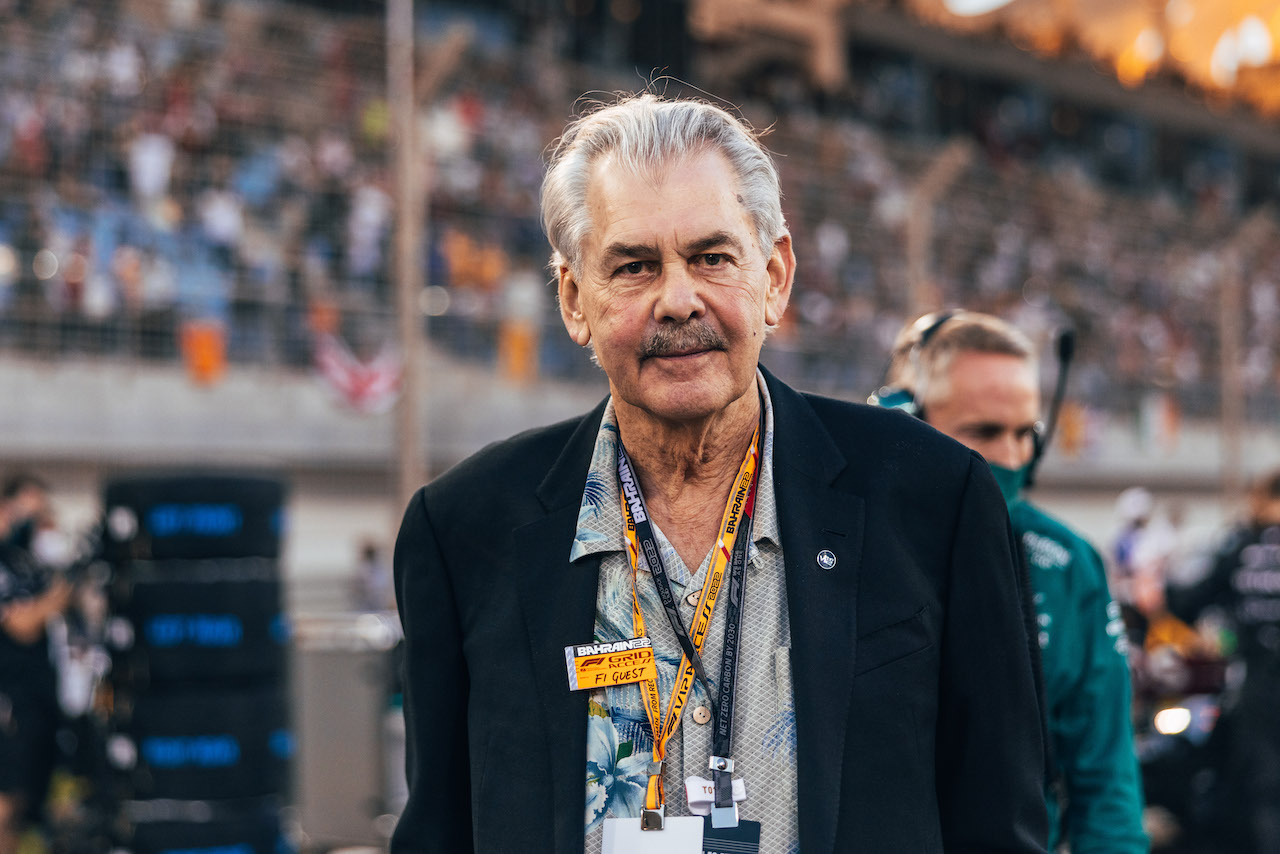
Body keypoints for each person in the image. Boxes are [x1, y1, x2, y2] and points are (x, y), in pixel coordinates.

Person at [392, 94, 1048, 854]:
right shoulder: (464, 531)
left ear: (773, 277)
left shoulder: (936, 501)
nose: (678, 300)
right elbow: (439, 829)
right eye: (634, 267)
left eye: (711, 257)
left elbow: (1000, 824)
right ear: (575, 300)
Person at [877, 310, 1147, 853]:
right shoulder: (842, 544)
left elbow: (1106, 781)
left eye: (1026, 434)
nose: (1011, 455)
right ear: (904, 420)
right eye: (984, 432)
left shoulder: (1069, 565)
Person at [1166, 468, 1280, 854]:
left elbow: (1184, 600)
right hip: (1258, 690)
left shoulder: (1242, 546)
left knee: (1264, 793)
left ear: (1263, 499)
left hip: (1260, 693)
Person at [0, 474, 71, 854]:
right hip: (8, 696)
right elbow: (21, 625)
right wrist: (54, 600)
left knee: (34, 796)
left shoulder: (30, 563)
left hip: (40, 695)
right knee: (6, 800)